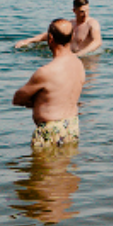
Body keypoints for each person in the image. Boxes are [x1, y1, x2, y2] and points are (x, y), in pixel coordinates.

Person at [13, 18, 86, 149]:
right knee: (63, 167)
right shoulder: (79, 65)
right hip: (72, 126)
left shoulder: (46, 72)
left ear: (50, 38)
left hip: (50, 129)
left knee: (42, 169)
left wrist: (35, 101)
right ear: (72, 37)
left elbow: (18, 99)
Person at [15, 0, 103, 55]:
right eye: (82, 11)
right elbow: (50, 34)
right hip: (70, 56)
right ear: (74, 11)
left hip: (86, 59)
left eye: (87, 10)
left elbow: (97, 42)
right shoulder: (70, 23)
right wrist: (27, 41)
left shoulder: (92, 24)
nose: (85, 14)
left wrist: (79, 54)